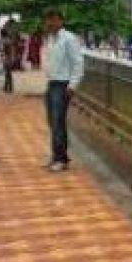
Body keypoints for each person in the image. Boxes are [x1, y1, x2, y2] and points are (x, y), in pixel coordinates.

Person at [43, 9, 84, 172]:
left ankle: (60, 158)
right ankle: (58, 155)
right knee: (53, 122)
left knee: (58, 121)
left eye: (53, 20)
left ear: (61, 21)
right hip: (52, 83)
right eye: (48, 20)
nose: (50, 23)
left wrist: (73, 85)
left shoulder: (69, 38)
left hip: (63, 85)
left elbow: (78, 63)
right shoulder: (51, 39)